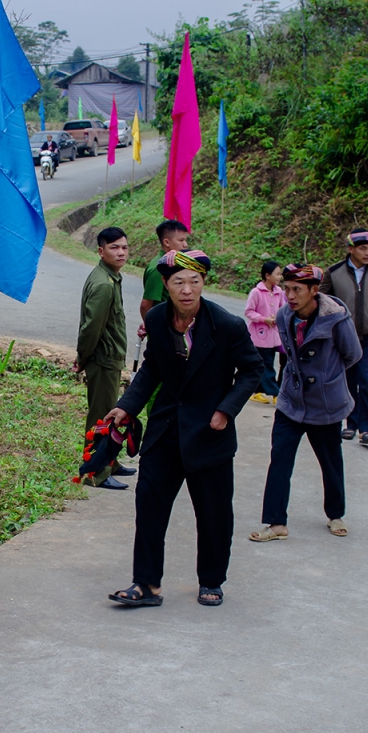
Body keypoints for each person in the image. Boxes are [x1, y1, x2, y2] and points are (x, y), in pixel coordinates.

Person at [106, 250, 264, 607]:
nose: (187, 290)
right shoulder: (159, 318)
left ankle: (211, 579)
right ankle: (147, 585)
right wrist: (126, 406)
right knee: (149, 507)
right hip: (165, 431)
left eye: (194, 282)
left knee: (213, 513)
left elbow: (252, 371)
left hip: (210, 435)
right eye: (179, 282)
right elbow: (152, 369)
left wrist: (226, 410)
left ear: (204, 284)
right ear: (165, 285)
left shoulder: (226, 325)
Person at [250, 264, 362, 543]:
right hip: (291, 400)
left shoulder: (336, 318)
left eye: (297, 289)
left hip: (325, 404)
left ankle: (335, 514)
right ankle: (276, 523)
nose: (289, 295)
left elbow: (353, 355)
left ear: (314, 291)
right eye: (286, 289)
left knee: (330, 461)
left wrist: (328, 379)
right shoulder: (285, 314)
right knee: (280, 459)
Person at [319, 228, 368, 445]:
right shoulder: (334, 273)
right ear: (351, 249)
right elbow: (322, 301)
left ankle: (366, 429)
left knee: (367, 381)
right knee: (348, 381)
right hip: (344, 338)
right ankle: (350, 425)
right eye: (363, 249)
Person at [75, 227, 133, 490]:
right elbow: (91, 328)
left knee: (111, 415)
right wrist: (82, 357)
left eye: (124, 247)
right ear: (101, 251)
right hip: (103, 359)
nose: (121, 252)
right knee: (101, 417)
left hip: (110, 359)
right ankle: (95, 473)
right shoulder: (103, 284)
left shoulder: (110, 277)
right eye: (114, 247)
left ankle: (111, 462)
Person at [138, 219, 190, 338]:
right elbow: (146, 305)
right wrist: (152, 328)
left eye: (185, 240)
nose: (185, 245)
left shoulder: (172, 264)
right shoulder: (159, 268)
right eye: (181, 240)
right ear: (167, 242)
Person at [244, 260, 286, 404]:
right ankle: (275, 394)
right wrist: (264, 319)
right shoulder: (256, 292)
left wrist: (277, 318)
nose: (280, 277)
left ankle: (255, 392)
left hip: (273, 337)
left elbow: (283, 309)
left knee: (263, 365)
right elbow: (248, 311)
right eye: (277, 274)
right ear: (268, 275)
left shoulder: (279, 292)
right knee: (267, 366)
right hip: (259, 336)